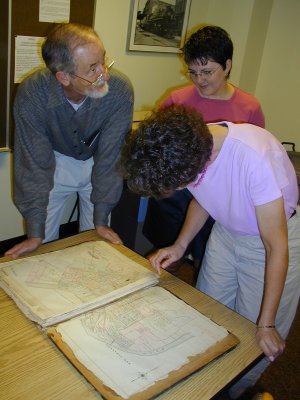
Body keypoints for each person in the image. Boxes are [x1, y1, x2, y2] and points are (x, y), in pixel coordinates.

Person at [121, 105, 300, 399]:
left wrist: (267, 324)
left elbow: (276, 246)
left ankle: (243, 391)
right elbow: (205, 197)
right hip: (227, 232)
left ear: (193, 166)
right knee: (208, 316)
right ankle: (208, 387)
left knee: (254, 336)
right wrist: (180, 246)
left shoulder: (252, 157)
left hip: (268, 244)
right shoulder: (194, 146)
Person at [142, 25, 265, 273]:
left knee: (207, 264)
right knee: (168, 258)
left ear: (227, 65)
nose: (199, 80)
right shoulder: (177, 100)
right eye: (193, 72)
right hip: (176, 195)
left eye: (207, 72)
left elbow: (254, 159)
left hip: (219, 199)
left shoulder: (249, 108)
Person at [5, 23, 134, 259]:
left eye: (103, 61)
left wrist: (102, 220)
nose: (104, 74)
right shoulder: (33, 94)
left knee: (97, 243)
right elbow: (33, 162)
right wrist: (35, 233)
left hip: (98, 160)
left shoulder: (119, 91)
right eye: (92, 69)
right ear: (63, 76)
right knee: (41, 245)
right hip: (55, 161)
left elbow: (111, 157)